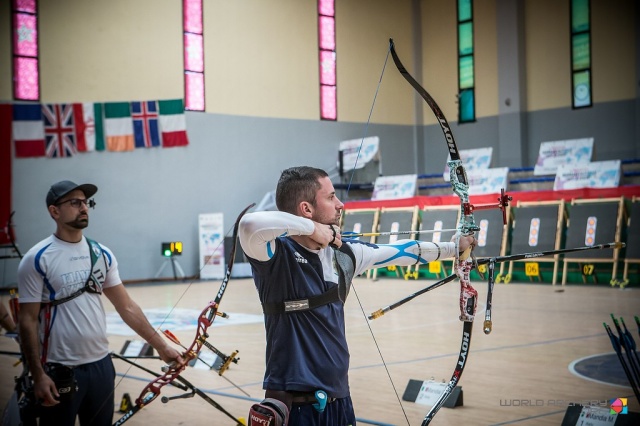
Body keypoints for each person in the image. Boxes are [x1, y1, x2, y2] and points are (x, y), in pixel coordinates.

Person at [239, 166, 475, 426]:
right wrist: (312, 229)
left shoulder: (343, 255)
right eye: (330, 198)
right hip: (296, 409)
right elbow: (249, 225)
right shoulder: (275, 257)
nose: (340, 204)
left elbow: (401, 251)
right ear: (306, 209)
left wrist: (454, 248)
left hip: (340, 401)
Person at [17, 180, 184, 426]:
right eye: (75, 202)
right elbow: (27, 320)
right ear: (54, 211)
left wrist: (161, 346)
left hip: (101, 367)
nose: (83, 208)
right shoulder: (37, 258)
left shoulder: (101, 254)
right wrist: (38, 374)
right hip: (58, 369)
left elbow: (126, 306)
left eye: (86, 202)